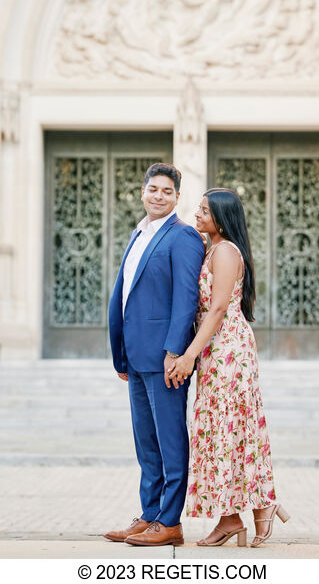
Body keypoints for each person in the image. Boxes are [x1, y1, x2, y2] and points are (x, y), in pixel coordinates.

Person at [167, 188, 291, 548]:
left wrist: (189, 354)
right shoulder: (212, 249)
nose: (198, 214)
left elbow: (218, 308)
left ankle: (255, 508)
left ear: (222, 217)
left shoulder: (224, 251)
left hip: (227, 349)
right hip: (215, 349)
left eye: (205, 210)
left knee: (229, 427)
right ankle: (237, 514)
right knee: (223, 430)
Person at [104, 162, 206, 547]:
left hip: (165, 359)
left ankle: (170, 522)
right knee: (146, 442)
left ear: (177, 198)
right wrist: (121, 354)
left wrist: (174, 351)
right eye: (153, 189)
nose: (159, 196)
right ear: (143, 192)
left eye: (167, 191)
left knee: (170, 441)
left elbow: (186, 299)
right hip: (135, 355)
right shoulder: (138, 233)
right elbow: (126, 294)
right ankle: (148, 515)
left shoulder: (183, 237)